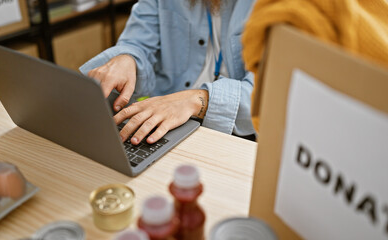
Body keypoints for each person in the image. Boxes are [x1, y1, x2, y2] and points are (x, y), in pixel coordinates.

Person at [80, 0, 256, 145]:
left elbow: (271, 93)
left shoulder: (274, 6)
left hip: (235, 131)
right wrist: (127, 58)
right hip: (163, 114)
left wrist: (197, 100)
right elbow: (137, 42)